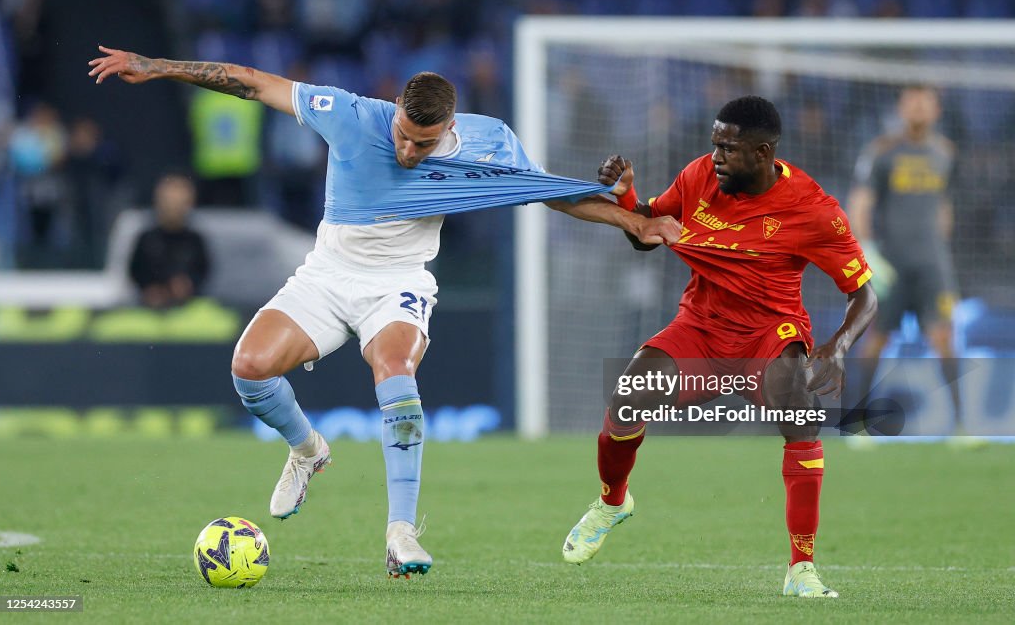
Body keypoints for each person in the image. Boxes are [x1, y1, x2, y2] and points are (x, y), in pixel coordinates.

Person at [88, 45, 681, 578]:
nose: (406, 150)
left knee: (395, 371)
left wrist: (632, 221)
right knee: (249, 369)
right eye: (402, 134)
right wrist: (158, 66)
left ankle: (401, 533)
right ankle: (307, 449)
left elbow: (548, 192)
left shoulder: (489, 140)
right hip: (326, 274)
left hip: (399, 282)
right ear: (394, 109)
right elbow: (251, 81)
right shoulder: (349, 114)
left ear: (449, 128)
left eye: (423, 144)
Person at [552, 96, 878, 598]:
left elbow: (864, 295)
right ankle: (613, 502)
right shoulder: (698, 175)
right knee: (627, 398)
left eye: (728, 148)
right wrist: (626, 194)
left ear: (763, 153)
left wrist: (837, 346)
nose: (716, 157)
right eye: (714, 145)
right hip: (700, 328)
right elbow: (646, 232)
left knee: (801, 415)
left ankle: (801, 569)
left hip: (768, 335)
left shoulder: (815, 210)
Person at [848, 85, 965, 434]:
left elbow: (944, 205)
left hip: (932, 265)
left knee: (944, 338)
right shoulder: (882, 151)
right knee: (876, 338)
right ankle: (858, 423)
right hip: (891, 265)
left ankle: (960, 426)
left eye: (924, 102)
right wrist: (868, 252)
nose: (918, 108)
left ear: (936, 110)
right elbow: (860, 202)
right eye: (911, 102)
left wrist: (940, 250)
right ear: (900, 108)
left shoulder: (946, 153)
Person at [129, 174, 211, 309]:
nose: (173, 208)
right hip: (149, 307)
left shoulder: (195, 240)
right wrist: (149, 289)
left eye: (179, 203)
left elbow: (203, 271)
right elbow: (135, 271)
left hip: (188, 306)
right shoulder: (147, 238)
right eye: (169, 202)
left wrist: (188, 284)